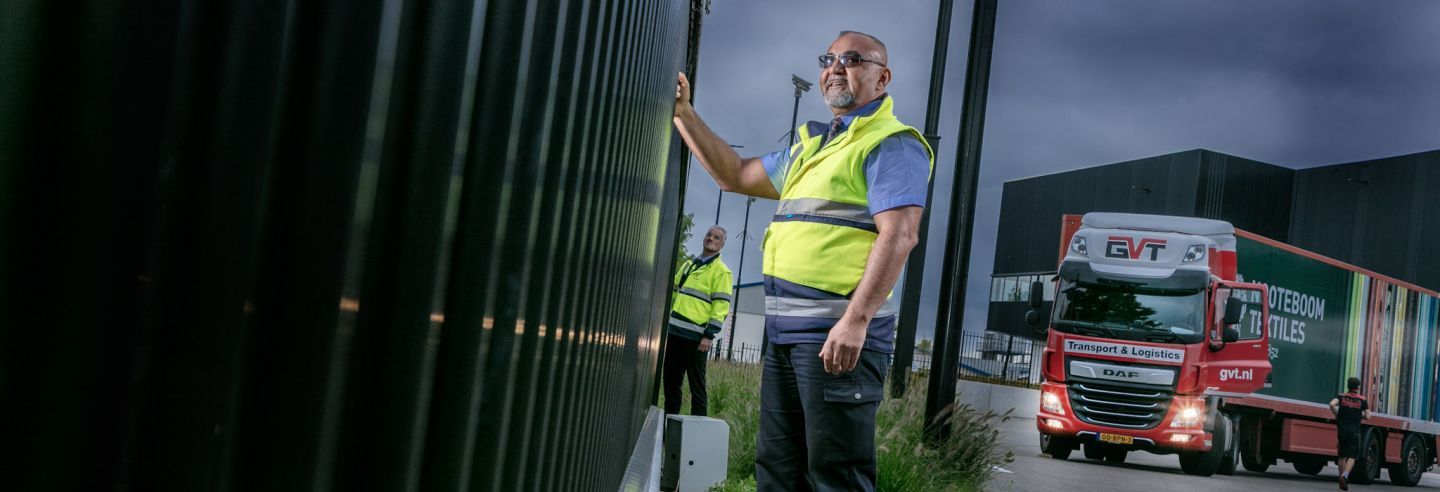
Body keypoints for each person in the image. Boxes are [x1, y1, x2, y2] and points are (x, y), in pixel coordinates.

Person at [672, 30, 933, 491]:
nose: (836, 67)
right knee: (777, 470)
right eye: (828, 58)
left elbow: (900, 235)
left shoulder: (892, 143)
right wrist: (684, 112)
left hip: (836, 341)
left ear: (882, 77)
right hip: (785, 336)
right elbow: (732, 175)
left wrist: (855, 322)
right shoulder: (811, 147)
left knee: (834, 477)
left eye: (852, 59)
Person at [664, 226, 733, 416]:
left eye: (716, 237)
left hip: (696, 339)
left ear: (722, 244)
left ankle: (697, 435)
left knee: (697, 389)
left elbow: (721, 307)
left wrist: (709, 335)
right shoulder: (688, 265)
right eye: (709, 235)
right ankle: (668, 430)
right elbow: (673, 293)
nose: (710, 238)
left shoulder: (721, 272)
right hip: (674, 333)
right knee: (671, 385)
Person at [1330, 376, 1369, 490]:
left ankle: (1341, 478)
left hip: (1342, 431)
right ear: (1358, 387)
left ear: (1348, 386)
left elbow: (1332, 404)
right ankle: (1345, 476)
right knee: (1352, 456)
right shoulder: (1363, 400)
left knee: (1342, 455)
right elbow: (1367, 416)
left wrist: (1337, 414)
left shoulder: (1341, 397)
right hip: (1354, 432)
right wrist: (1357, 413)